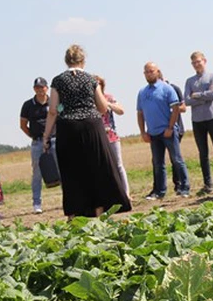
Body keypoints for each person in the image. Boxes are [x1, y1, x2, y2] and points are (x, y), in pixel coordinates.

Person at [43, 44, 131, 218]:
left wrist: (46, 135)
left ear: (66, 61)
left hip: (68, 127)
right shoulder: (91, 80)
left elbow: (53, 109)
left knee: (72, 171)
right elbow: (103, 107)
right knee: (97, 168)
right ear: (83, 61)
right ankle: (98, 210)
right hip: (92, 126)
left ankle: (74, 214)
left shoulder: (58, 80)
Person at [137, 62, 190, 199]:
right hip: (153, 134)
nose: (149, 74)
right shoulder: (142, 92)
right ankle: (159, 191)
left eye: (151, 71)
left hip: (168, 132)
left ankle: (184, 188)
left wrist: (170, 127)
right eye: (146, 72)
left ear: (157, 71)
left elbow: (176, 109)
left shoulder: (167, 89)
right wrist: (143, 132)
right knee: (157, 163)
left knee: (177, 159)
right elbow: (140, 113)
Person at [185, 51, 213, 195]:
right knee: (203, 153)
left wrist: (197, 95)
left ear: (204, 61)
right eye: (194, 63)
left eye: (198, 61)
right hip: (197, 120)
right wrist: (204, 96)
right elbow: (186, 100)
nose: (196, 64)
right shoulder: (189, 81)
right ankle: (208, 184)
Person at [19, 77, 53, 214]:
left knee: (62, 170)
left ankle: (67, 199)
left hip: (55, 139)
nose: (40, 90)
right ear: (34, 89)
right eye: (37, 88)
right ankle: (37, 203)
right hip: (37, 142)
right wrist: (34, 136)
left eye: (42, 87)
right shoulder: (28, 105)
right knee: (37, 173)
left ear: (47, 88)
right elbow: (23, 125)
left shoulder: (54, 102)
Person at [97, 76, 130, 196]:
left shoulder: (109, 97)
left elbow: (121, 110)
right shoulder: (88, 101)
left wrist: (108, 104)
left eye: (98, 84)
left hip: (111, 136)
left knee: (118, 165)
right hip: (98, 138)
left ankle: (126, 194)